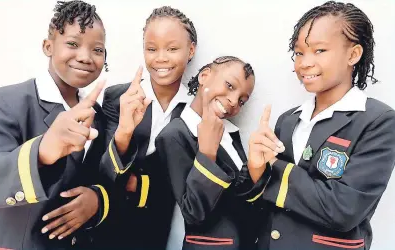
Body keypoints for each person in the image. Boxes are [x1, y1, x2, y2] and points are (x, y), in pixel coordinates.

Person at [0, 1, 110, 249]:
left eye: (97, 49)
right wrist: (40, 152)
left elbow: (100, 177)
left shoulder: (97, 114)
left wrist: (96, 199)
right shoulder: (9, 101)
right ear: (48, 46)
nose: (85, 57)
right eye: (72, 44)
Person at [247, 1, 395, 249]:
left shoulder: (377, 121)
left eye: (319, 51)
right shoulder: (289, 119)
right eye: (299, 52)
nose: (304, 63)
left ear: (353, 55)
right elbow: (262, 203)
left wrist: (273, 166)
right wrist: (255, 167)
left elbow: (343, 209)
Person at [96, 6, 197, 249]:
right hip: (106, 231)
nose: (161, 58)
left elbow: (184, 187)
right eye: (152, 49)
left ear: (191, 50)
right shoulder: (117, 97)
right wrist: (124, 131)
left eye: (172, 49)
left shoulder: (194, 111)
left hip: (159, 234)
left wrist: (139, 185)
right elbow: (102, 172)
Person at [156, 56, 267, 250]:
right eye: (230, 86)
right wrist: (207, 153)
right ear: (204, 76)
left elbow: (239, 195)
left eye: (242, 100)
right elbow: (193, 212)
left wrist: (257, 168)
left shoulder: (231, 134)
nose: (234, 101)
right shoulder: (175, 135)